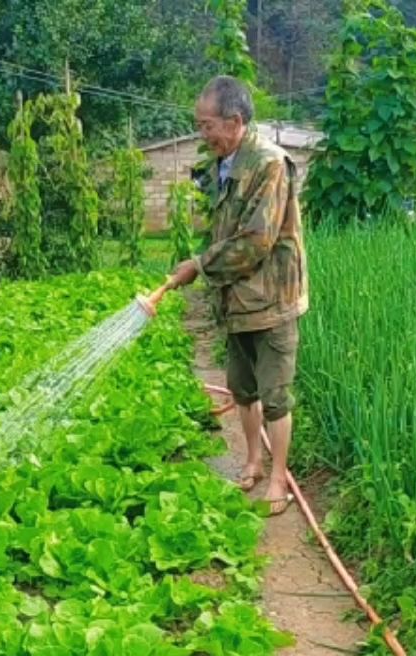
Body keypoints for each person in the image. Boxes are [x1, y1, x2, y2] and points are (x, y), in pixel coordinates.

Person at [168, 75, 308, 516]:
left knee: (275, 394)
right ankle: (252, 461)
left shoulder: (269, 163)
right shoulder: (223, 164)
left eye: (207, 125)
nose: (203, 134)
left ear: (234, 121)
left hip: (271, 299)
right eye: (200, 125)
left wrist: (199, 265)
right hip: (236, 300)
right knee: (242, 388)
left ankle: (278, 477)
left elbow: (255, 241)